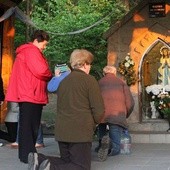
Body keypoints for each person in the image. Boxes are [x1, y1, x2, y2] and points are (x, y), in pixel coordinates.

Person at [27, 49, 105, 170]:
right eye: (89, 64)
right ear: (84, 64)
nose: (90, 67)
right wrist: (94, 123)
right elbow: (98, 109)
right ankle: (51, 167)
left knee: (66, 161)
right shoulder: (89, 80)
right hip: (80, 131)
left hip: (62, 130)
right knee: (81, 166)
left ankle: (40, 160)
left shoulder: (63, 82)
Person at [5, 30, 52, 163]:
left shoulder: (26, 51)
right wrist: (51, 74)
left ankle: (27, 155)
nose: (45, 47)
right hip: (31, 93)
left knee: (27, 126)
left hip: (28, 93)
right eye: (44, 44)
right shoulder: (32, 51)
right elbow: (41, 71)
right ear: (37, 40)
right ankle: (29, 155)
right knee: (30, 127)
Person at [96, 66, 134, 161]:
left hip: (101, 112)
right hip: (117, 113)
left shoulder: (99, 82)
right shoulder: (121, 83)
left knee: (101, 126)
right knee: (115, 130)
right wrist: (125, 114)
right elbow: (130, 102)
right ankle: (113, 148)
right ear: (115, 72)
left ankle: (102, 144)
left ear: (104, 73)